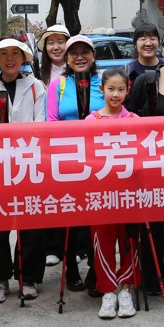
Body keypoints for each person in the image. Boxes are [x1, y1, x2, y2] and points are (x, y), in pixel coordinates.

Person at [0, 38, 49, 303]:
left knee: (31, 223)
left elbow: (43, 121)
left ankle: (29, 278)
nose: (10, 58)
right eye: (3, 54)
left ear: (24, 57)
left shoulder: (36, 86)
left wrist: (19, 141)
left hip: (29, 162)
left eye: (16, 53)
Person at [126, 29, 164, 295]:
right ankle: (151, 280)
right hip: (150, 166)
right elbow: (127, 118)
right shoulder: (147, 80)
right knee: (149, 225)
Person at [46, 34, 105, 294]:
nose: (79, 57)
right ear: (66, 59)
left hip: (101, 160)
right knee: (71, 217)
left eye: (85, 52)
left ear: (93, 56)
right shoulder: (57, 85)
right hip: (68, 159)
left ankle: (96, 268)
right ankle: (71, 267)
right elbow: (50, 123)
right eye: (74, 53)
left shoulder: (103, 82)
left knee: (97, 217)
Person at [86, 68, 142, 319]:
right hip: (101, 194)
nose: (116, 94)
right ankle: (108, 290)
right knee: (103, 242)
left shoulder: (134, 120)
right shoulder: (91, 121)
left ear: (128, 90)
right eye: (111, 89)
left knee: (130, 241)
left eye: (121, 89)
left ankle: (126, 288)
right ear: (102, 90)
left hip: (130, 194)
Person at [34, 24, 71, 268]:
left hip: (72, 145)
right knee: (48, 197)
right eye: (51, 42)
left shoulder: (81, 71)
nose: (56, 47)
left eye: (61, 41)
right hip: (43, 146)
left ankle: (74, 246)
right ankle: (50, 247)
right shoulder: (35, 77)